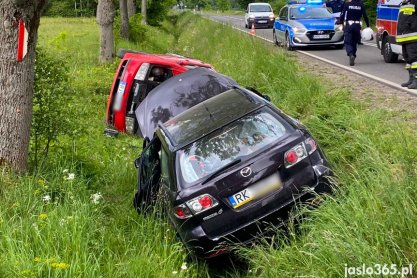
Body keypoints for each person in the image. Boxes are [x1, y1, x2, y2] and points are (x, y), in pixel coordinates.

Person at [338, 0, 370, 66]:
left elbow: (343, 14)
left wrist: (339, 21)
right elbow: (365, 16)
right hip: (357, 26)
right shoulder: (361, 4)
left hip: (349, 25)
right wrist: (368, 25)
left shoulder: (347, 4)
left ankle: (350, 54)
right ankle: (353, 56)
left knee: (347, 42)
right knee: (354, 42)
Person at [396, 0, 417, 89]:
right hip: (404, 36)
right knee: (407, 58)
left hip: (413, 36)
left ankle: (416, 81)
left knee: (414, 59)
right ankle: (411, 79)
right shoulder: (405, 3)